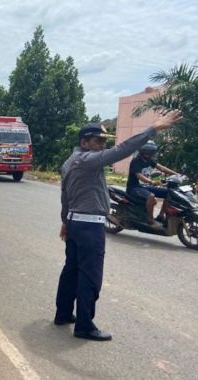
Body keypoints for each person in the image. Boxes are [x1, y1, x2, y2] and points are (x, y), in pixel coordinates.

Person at [55, 111, 183, 342]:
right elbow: (122, 149)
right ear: (84, 142)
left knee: (71, 270)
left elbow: (65, 196)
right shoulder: (88, 160)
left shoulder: (69, 162)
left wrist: (65, 220)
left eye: (105, 141)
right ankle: (84, 325)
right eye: (98, 141)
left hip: (75, 222)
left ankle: (63, 313)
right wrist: (154, 127)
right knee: (90, 276)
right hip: (90, 226)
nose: (103, 145)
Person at [126, 140, 180, 226]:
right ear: (144, 151)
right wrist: (151, 182)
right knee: (151, 196)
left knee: (169, 193)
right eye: (149, 152)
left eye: (152, 152)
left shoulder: (149, 160)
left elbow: (161, 168)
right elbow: (139, 176)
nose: (150, 154)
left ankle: (161, 215)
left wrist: (177, 174)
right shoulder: (136, 160)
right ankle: (150, 220)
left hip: (144, 187)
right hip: (134, 188)